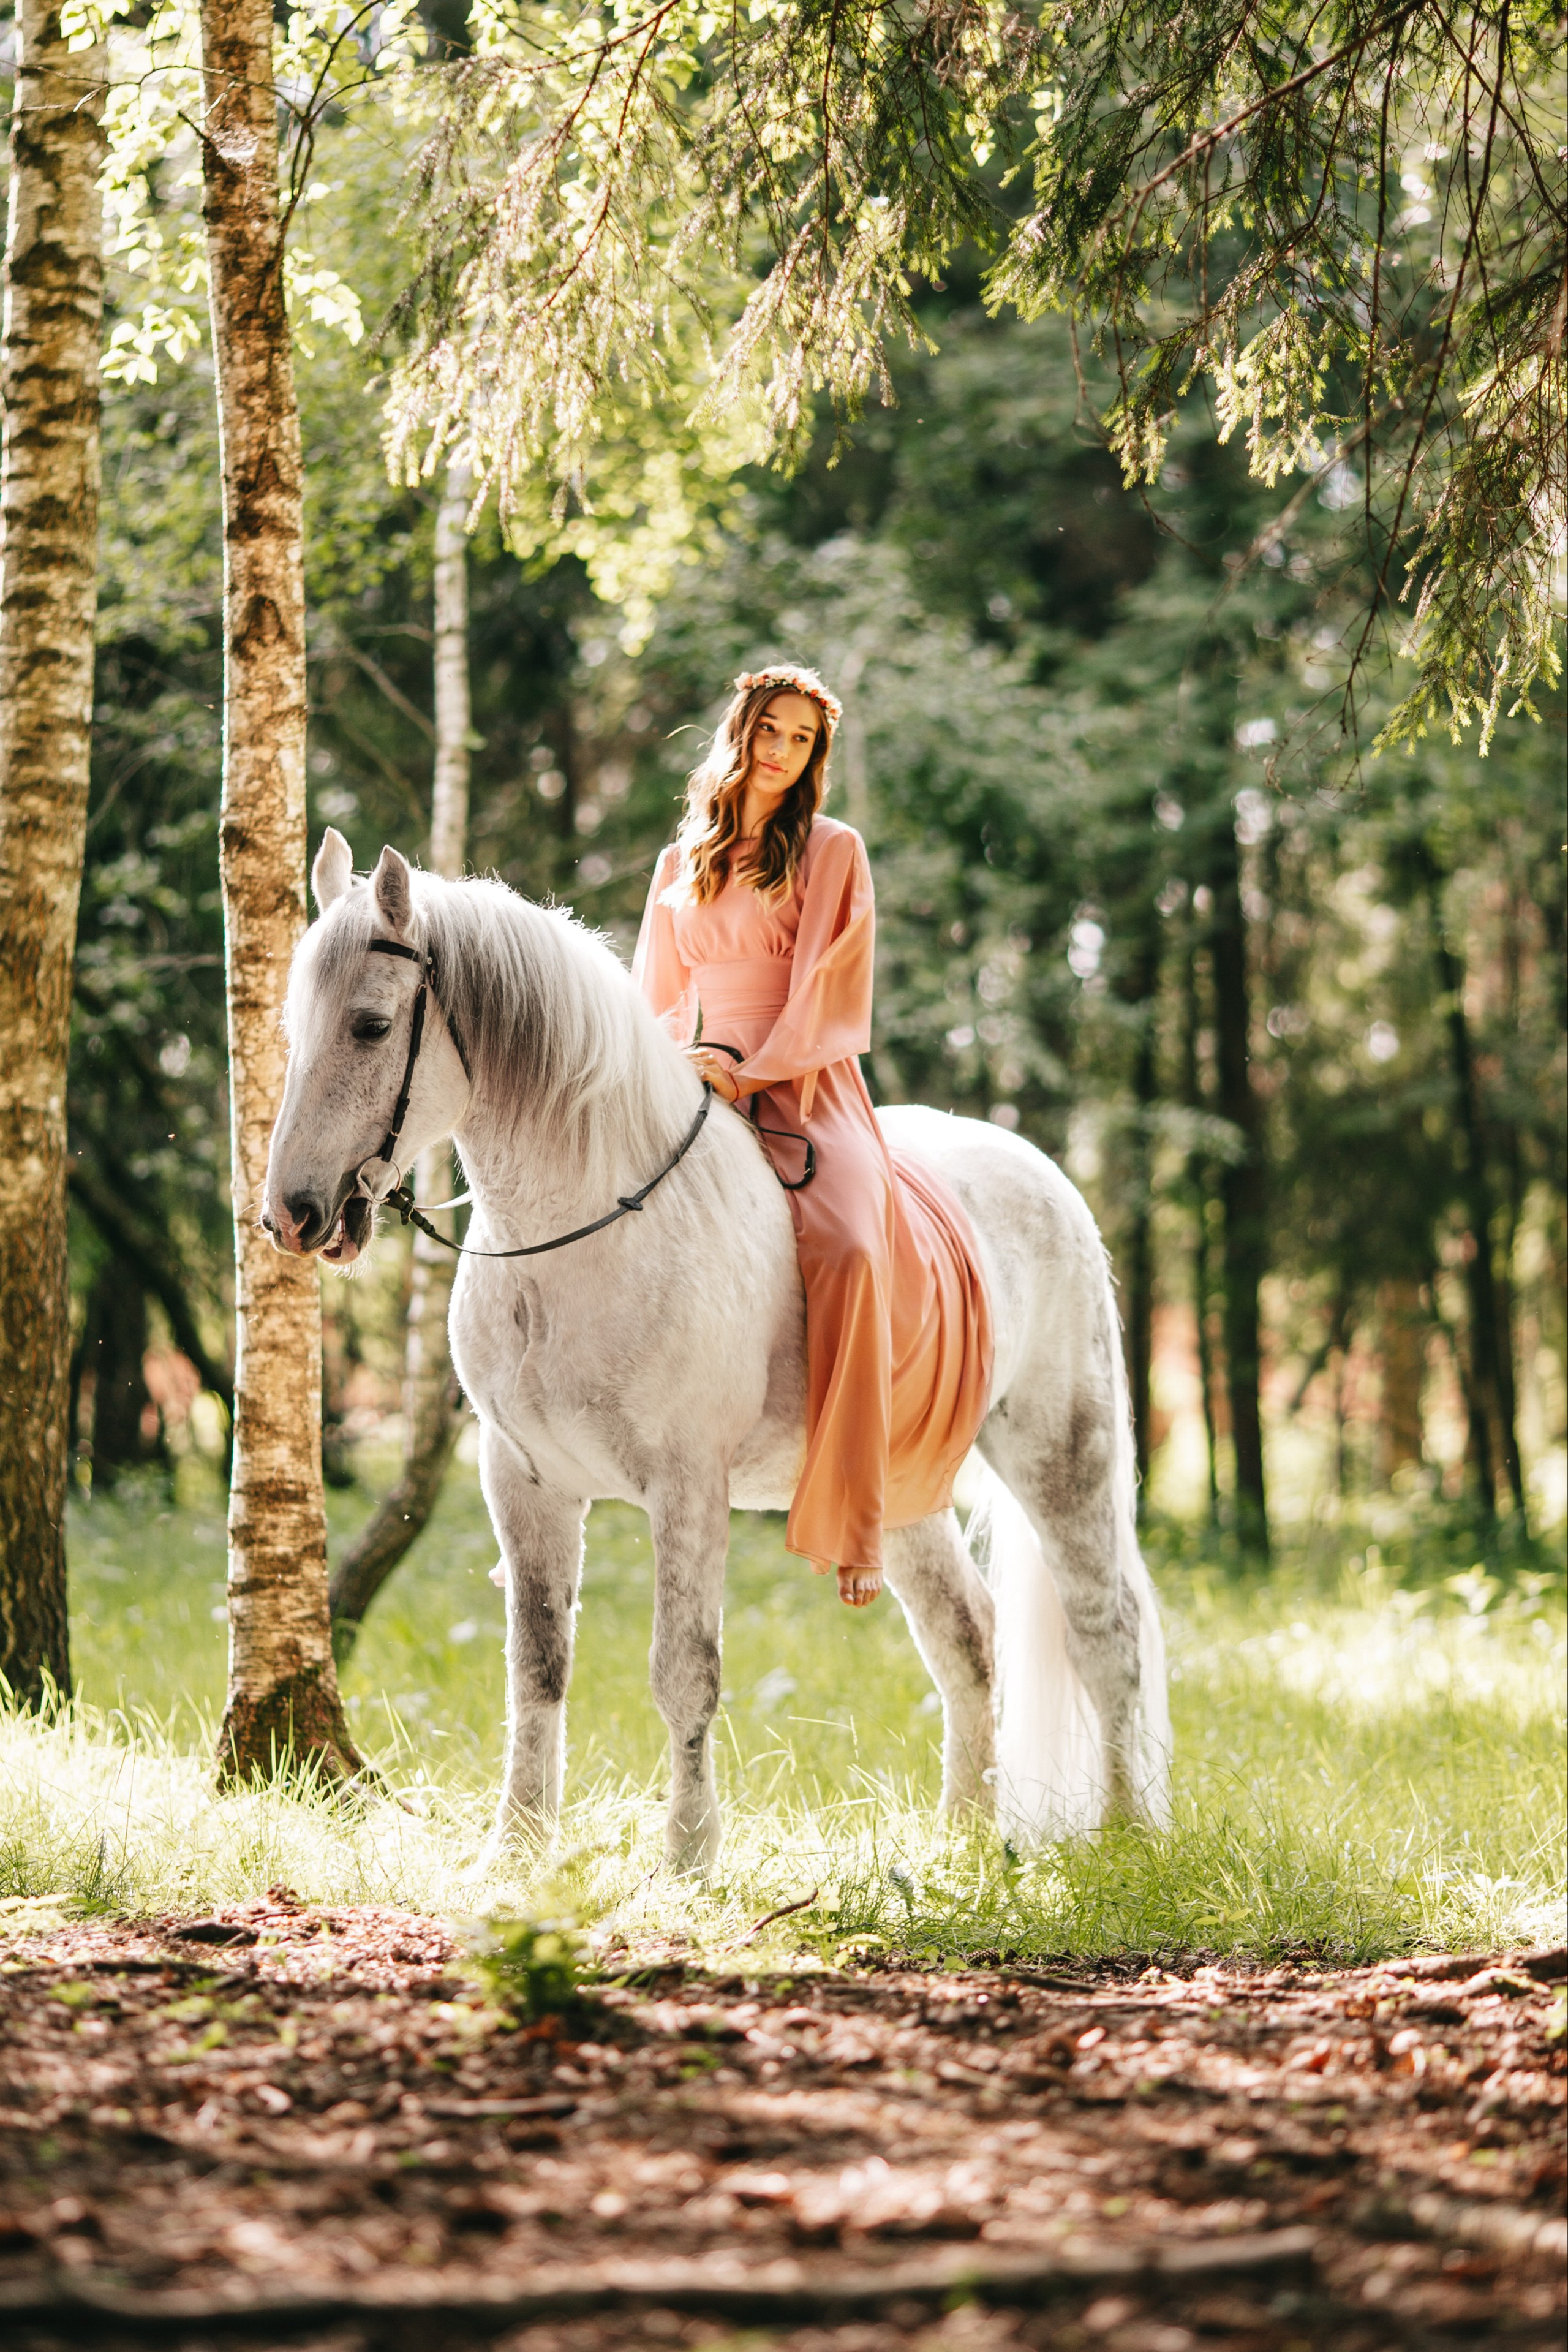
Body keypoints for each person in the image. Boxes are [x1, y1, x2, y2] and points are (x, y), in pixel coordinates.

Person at [633, 664, 993, 1609]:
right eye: (771, 730)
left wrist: (749, 1074)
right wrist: (678, 1064)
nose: (782, 750)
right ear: (743, 730)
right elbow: (652, 994)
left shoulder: (832, 850)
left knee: (851, 1246)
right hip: (688, 1072)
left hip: (799, 1080)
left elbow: (829, 991)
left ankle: (857, 1517)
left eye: (801, 739)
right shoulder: (681, 861)